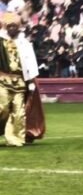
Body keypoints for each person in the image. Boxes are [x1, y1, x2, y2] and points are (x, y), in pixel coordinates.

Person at [0, 12, 42, 147]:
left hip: (20, 81)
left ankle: (16, 138)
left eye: (15, 26)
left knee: (19, 111)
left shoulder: (24, 43)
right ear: (6, 27)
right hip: (2, 79)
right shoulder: (0, 42)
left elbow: (30, 62)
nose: (12, 28)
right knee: (3, 108)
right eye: (10, 26)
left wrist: (31, 81)